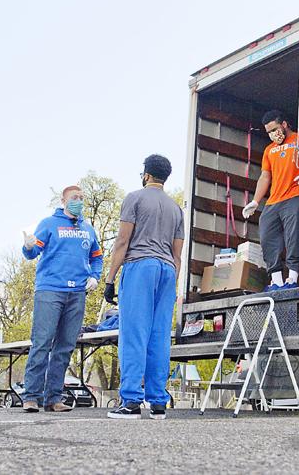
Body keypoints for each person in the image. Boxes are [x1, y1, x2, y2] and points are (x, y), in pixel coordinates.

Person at [104, 154, 184, 420]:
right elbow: (178, 255)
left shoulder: (135, 198)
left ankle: (131, 401)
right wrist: (172, 286)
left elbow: (122, 242)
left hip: (141, 266)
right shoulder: (176, 209)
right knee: (159, 336)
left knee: (134, 334)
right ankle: (158, 401)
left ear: (146, 175)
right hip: (167, 271)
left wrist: (110, 279)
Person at [21, 185, 103, 413]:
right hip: (50, 290)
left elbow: (97, 257)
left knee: (65, 347)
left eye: (81, 198)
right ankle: (31, 397)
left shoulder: (88, 229)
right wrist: (27, 246)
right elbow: (32, 252)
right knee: (42, 342)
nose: (78, 201)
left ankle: (53, 398)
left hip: (77, 293)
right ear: (63, 200)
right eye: (74, 198)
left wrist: (95, 277)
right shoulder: (49, 224)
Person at [242, 109, 299, 291]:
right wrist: (255, 201)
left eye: (275, 129)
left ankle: (292, 278)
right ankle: (276, 281)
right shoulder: (269, 150)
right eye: (269, 132)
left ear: (284, 124)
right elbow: (265, 176)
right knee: (267, 236)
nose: (272, 134)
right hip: (273, 201)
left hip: (295, 196)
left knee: (294, 237)